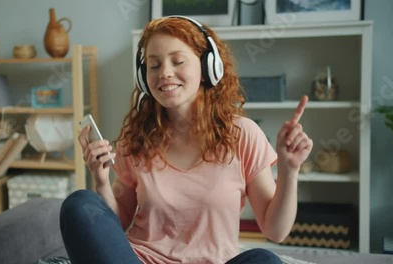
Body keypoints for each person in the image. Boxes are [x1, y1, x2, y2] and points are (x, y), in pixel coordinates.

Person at [60, 16, 313, 264]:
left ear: (207, 68)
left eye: (178, 61)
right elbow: (117, 224)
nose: (165, 73)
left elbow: (275, 230)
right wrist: (102, 181)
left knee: (264, 260)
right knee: (79, 204)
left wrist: (289, 170)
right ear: (143, 77)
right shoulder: (136, 138)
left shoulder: (242, 135)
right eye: (154, 65)